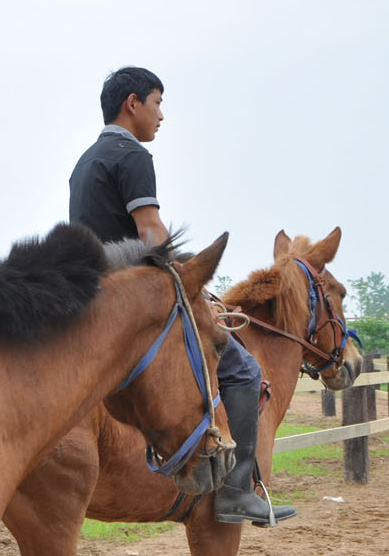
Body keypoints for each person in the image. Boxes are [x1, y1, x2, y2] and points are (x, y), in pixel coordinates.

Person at [68, 66, 296, 527]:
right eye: (157, 102)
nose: (161, 115)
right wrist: (190, 287)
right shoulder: (132, 156)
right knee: (243, 369)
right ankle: (237, 490)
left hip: (93, 297)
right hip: (136, 300)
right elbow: (151, 231)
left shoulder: (85, 162)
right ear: (132, 103)